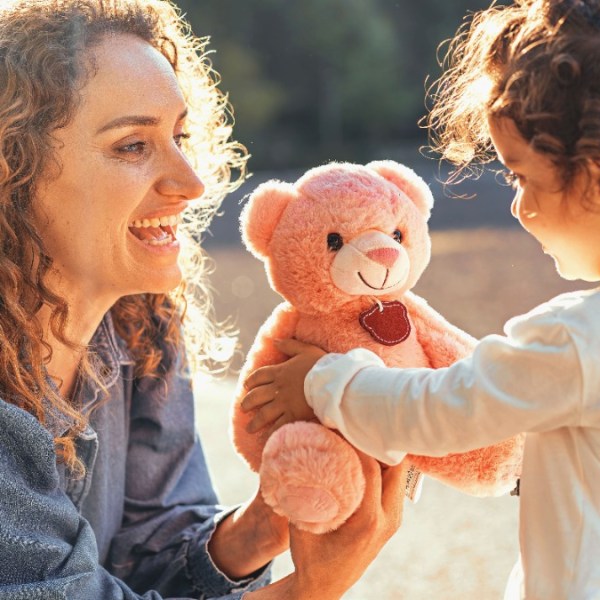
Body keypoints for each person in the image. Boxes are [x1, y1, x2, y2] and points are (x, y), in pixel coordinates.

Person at [243, 0, 600, 598]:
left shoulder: (580, 340)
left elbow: (442, 410)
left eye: (522, 177)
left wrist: (326, 381)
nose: (517, 205)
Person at [0, 1, 405, 599]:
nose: (191, 182)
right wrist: (307, 591)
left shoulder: (138, 323)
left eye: (180, 136)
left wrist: (269, 520)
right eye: (133, 145)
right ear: (14, 165)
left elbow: (151, 552)